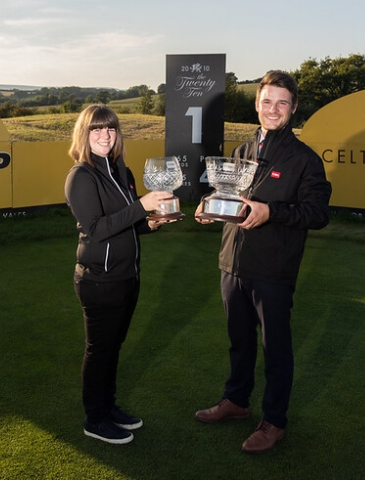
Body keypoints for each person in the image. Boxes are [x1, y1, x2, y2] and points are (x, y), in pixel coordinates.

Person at [194, 70, 332, 454]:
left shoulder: (304, 159)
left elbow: (318, 213)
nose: (273, 109)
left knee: (276, 349)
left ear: (293, 108)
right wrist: (212, 208)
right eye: (267, 101)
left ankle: (274, 421)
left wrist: (271, 211)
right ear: (257, 103)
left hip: (273, 269)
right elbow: (230, 200)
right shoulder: (239, 152)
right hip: (232, 264)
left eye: (282, 102)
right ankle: (236, 401)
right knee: (239, 343)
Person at [65, 104, 175, 444]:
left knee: (113, 347)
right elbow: (96, 229)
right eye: (96, 129)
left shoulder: (119, 170)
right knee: (99, 350)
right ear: (84, 135)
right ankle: (94, 419)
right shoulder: (81, 175)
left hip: (127, 277)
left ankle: (108, 408)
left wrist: (152, 222)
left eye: (110, 129)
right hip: (99, 280)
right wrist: (141, 205)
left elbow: (129, 223)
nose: (104, 135)